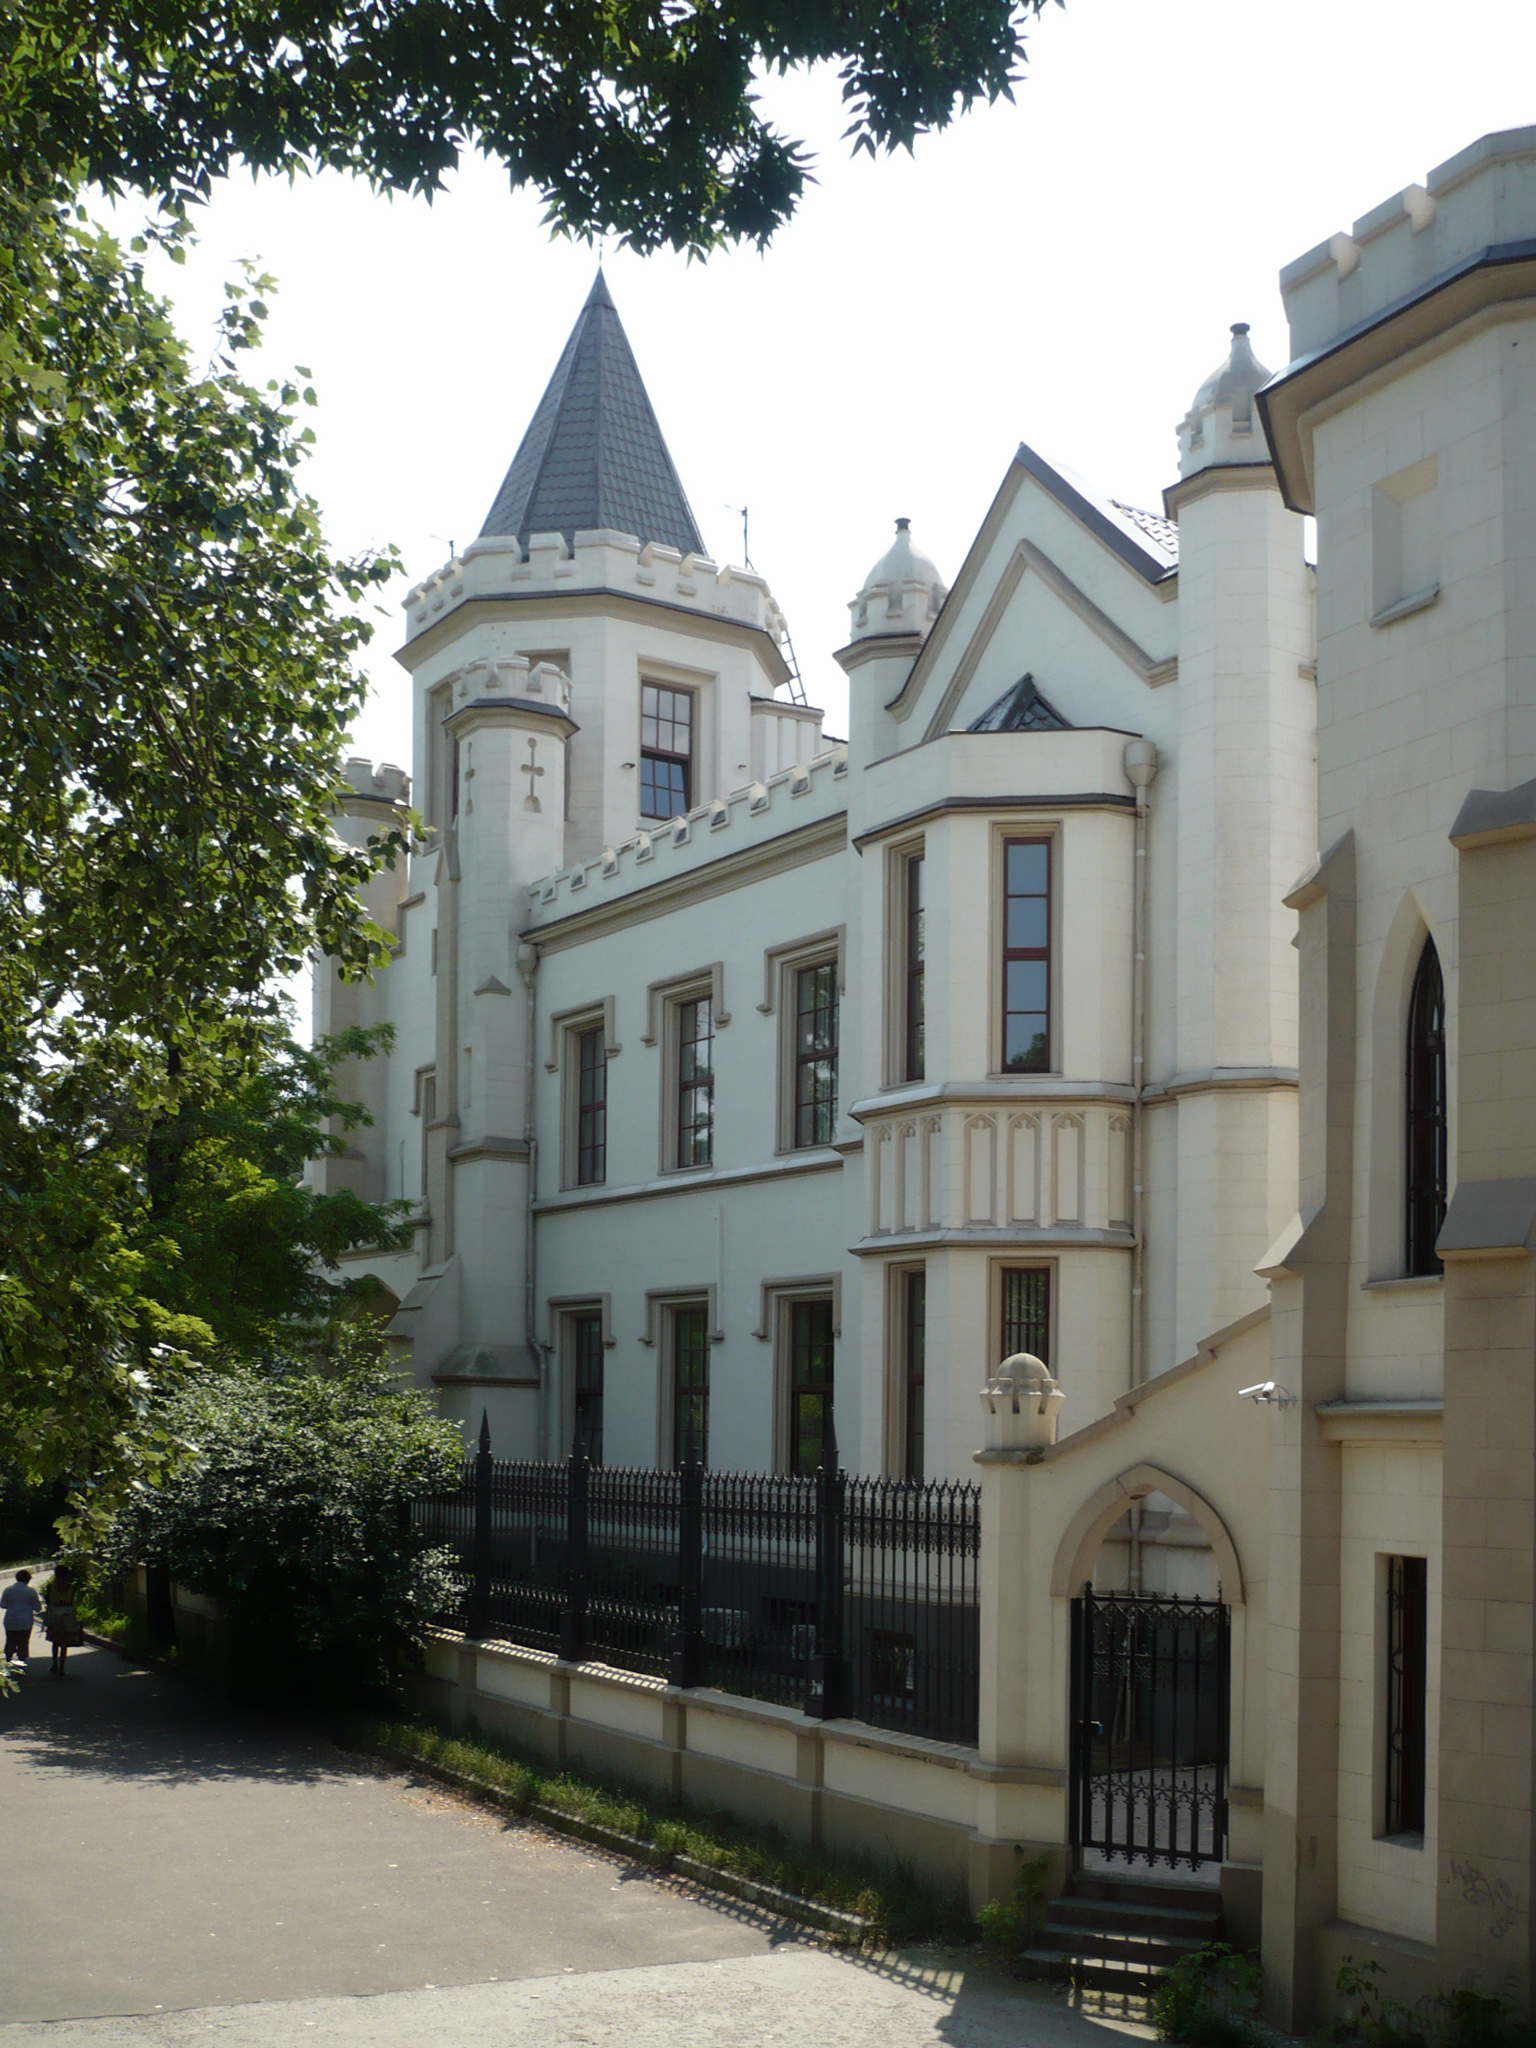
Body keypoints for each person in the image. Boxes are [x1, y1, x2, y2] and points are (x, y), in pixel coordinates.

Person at [44, 1569, 85, 1679]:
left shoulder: (51, 1586)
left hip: (55, 1616)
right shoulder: (71, 1587)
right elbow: (71, 1601)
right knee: (64, 1643)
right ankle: (62, 1667)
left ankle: (54, 1665)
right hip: (67, 1616)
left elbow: (48, 1601)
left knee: (55, 1641)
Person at [2, 1570, 42, 1668]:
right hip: (25, 1622)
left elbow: (3, 1605)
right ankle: (21, 1663)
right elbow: (38, 1608)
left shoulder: (8, 1590)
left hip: (10, 1620)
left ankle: (8, 1661)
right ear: (27, 1580)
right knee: (23, 1642)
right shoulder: (30, 1591)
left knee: (10, 1640)